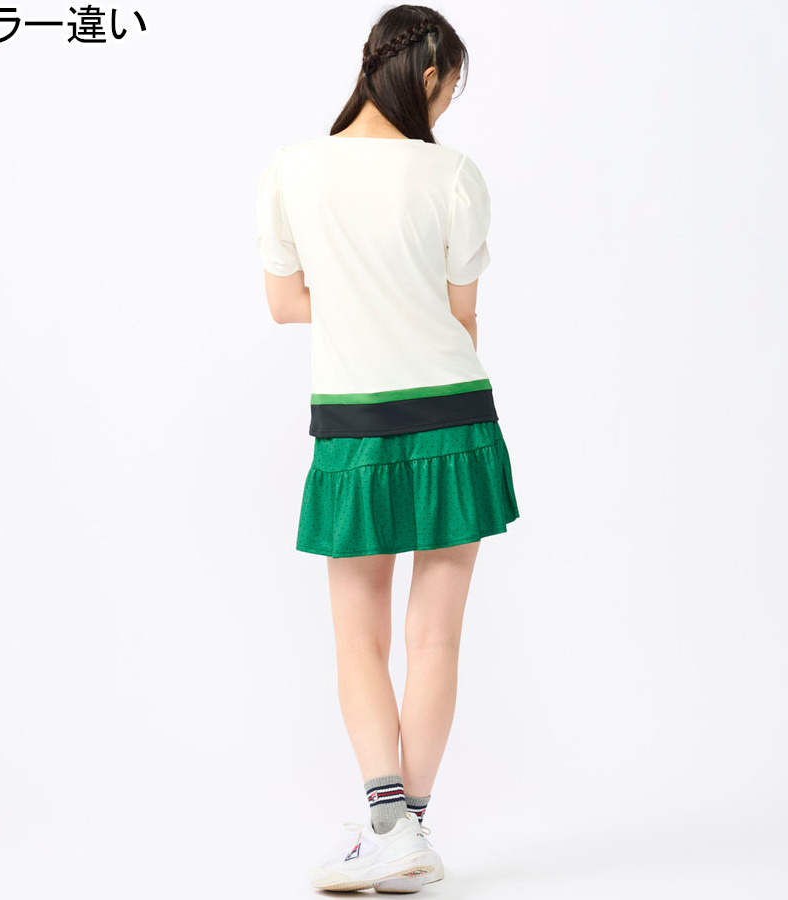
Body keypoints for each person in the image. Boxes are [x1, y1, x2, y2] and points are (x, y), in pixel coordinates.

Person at [255, 5, 520, 892]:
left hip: (356, 425)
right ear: (431, 75)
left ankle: (387, 828)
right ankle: (410, 835)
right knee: (434, 639)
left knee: (359, 641)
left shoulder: (294, 169)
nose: (445, 106)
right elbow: (462, 319)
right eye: (451, 89)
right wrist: (402, 304)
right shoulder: (452, 174)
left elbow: (284, 303)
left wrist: (359, 301)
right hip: (457, 419)